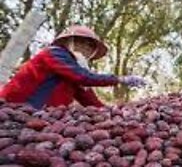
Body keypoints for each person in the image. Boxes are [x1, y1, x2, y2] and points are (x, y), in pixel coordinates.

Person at [0, 25, 145, 109]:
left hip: (46, 119)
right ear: (69, 41)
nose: (86, 49)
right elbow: (82, 76)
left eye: (90, 47)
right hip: (17, 109)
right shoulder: (53, 54)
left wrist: (112, 112)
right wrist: (120, 79)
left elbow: (89, 100)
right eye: (82, 42)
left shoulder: (75, 71)